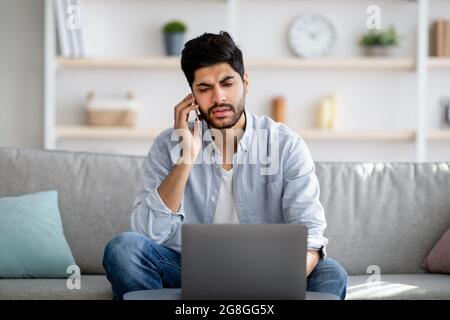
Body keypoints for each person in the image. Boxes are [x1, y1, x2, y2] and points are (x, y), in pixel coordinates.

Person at [103, 31, 348, 300]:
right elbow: (147, 232)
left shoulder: (286, 144)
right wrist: (186, 159)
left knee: (331, 273)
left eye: (227, 82)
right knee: (123, 249)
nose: (218, 97)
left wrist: (273, 283)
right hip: (188, 267)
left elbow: (311, 236)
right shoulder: (168, 145)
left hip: (268, 271)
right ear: (192, 97)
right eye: (205, 88)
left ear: (245, 82)